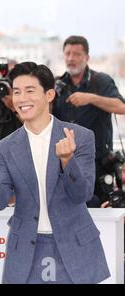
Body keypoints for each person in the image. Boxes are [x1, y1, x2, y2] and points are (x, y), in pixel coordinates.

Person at [0, 62, 110, 284]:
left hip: (75, 246)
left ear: (49, 94)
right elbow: (0, 201)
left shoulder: (80, 137)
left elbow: (82, 195)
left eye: (30, 91)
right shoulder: (5, 147)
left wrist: (68, 160)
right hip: (26, 250)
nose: (21, 99)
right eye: (16, 92)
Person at [52, 35, 125, 204]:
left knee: (98, 210)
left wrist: (91, 98)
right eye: (67, 53)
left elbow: (122, 107)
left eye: (76, 54)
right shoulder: (57, 84)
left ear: (87, 57)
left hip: (97, 163)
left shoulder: (101, 81)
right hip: (63, 163)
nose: (71, 58)